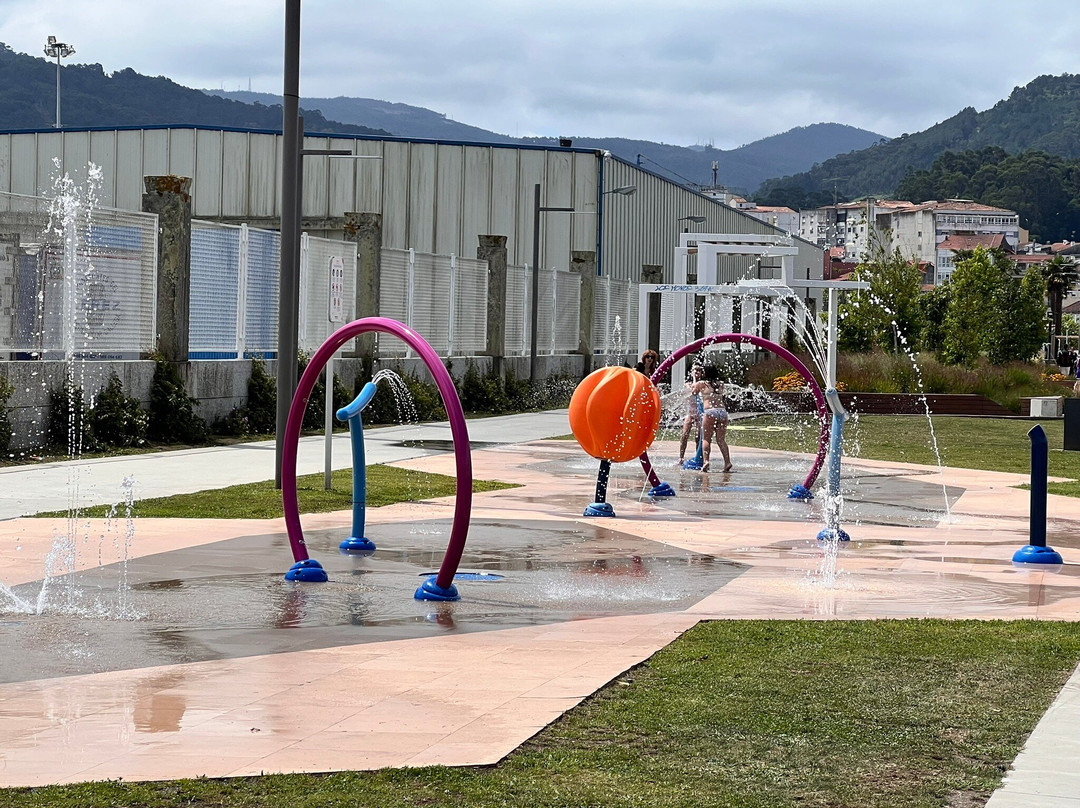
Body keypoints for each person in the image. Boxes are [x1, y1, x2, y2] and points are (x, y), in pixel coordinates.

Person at [694, 365, 732, 473]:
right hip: (722, 412)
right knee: (721, 440)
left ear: (705, 373)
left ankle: (706, 461)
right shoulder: (721, 384)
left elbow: (693, 393)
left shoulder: (701, 384)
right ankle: (727, 462)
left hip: (710, 412)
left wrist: (694, 379)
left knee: (706, 439)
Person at [678, 363, 704, 465]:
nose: (696, 372)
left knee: (698, 436)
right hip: (691, 412)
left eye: (699, 370)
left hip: (700, 413)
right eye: (694, 370)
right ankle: (681, 457)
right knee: (685, 434)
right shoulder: (688, 384)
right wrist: (694, 380)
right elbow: (693, 391)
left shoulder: (703, 384)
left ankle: (697, 456)